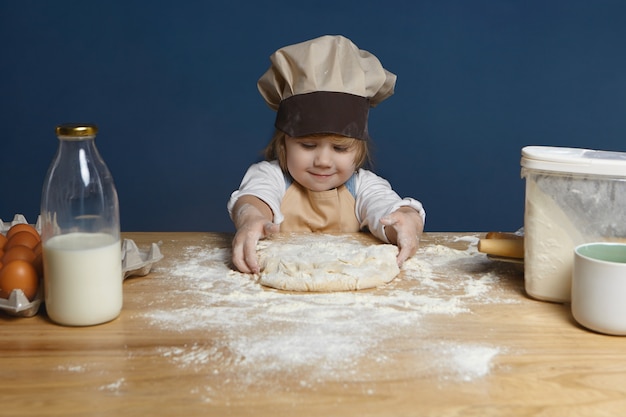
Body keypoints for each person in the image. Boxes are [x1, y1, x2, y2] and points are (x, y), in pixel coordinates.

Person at [228, 35, 425, 274]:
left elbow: (386, 211)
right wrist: (250, 218)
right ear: (284, 144)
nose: (322, 161)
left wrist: (406, 220)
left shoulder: (362, 187)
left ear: (358, 150)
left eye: (339, 148)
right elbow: (254, 199)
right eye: (308, 145)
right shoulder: (271, 176)